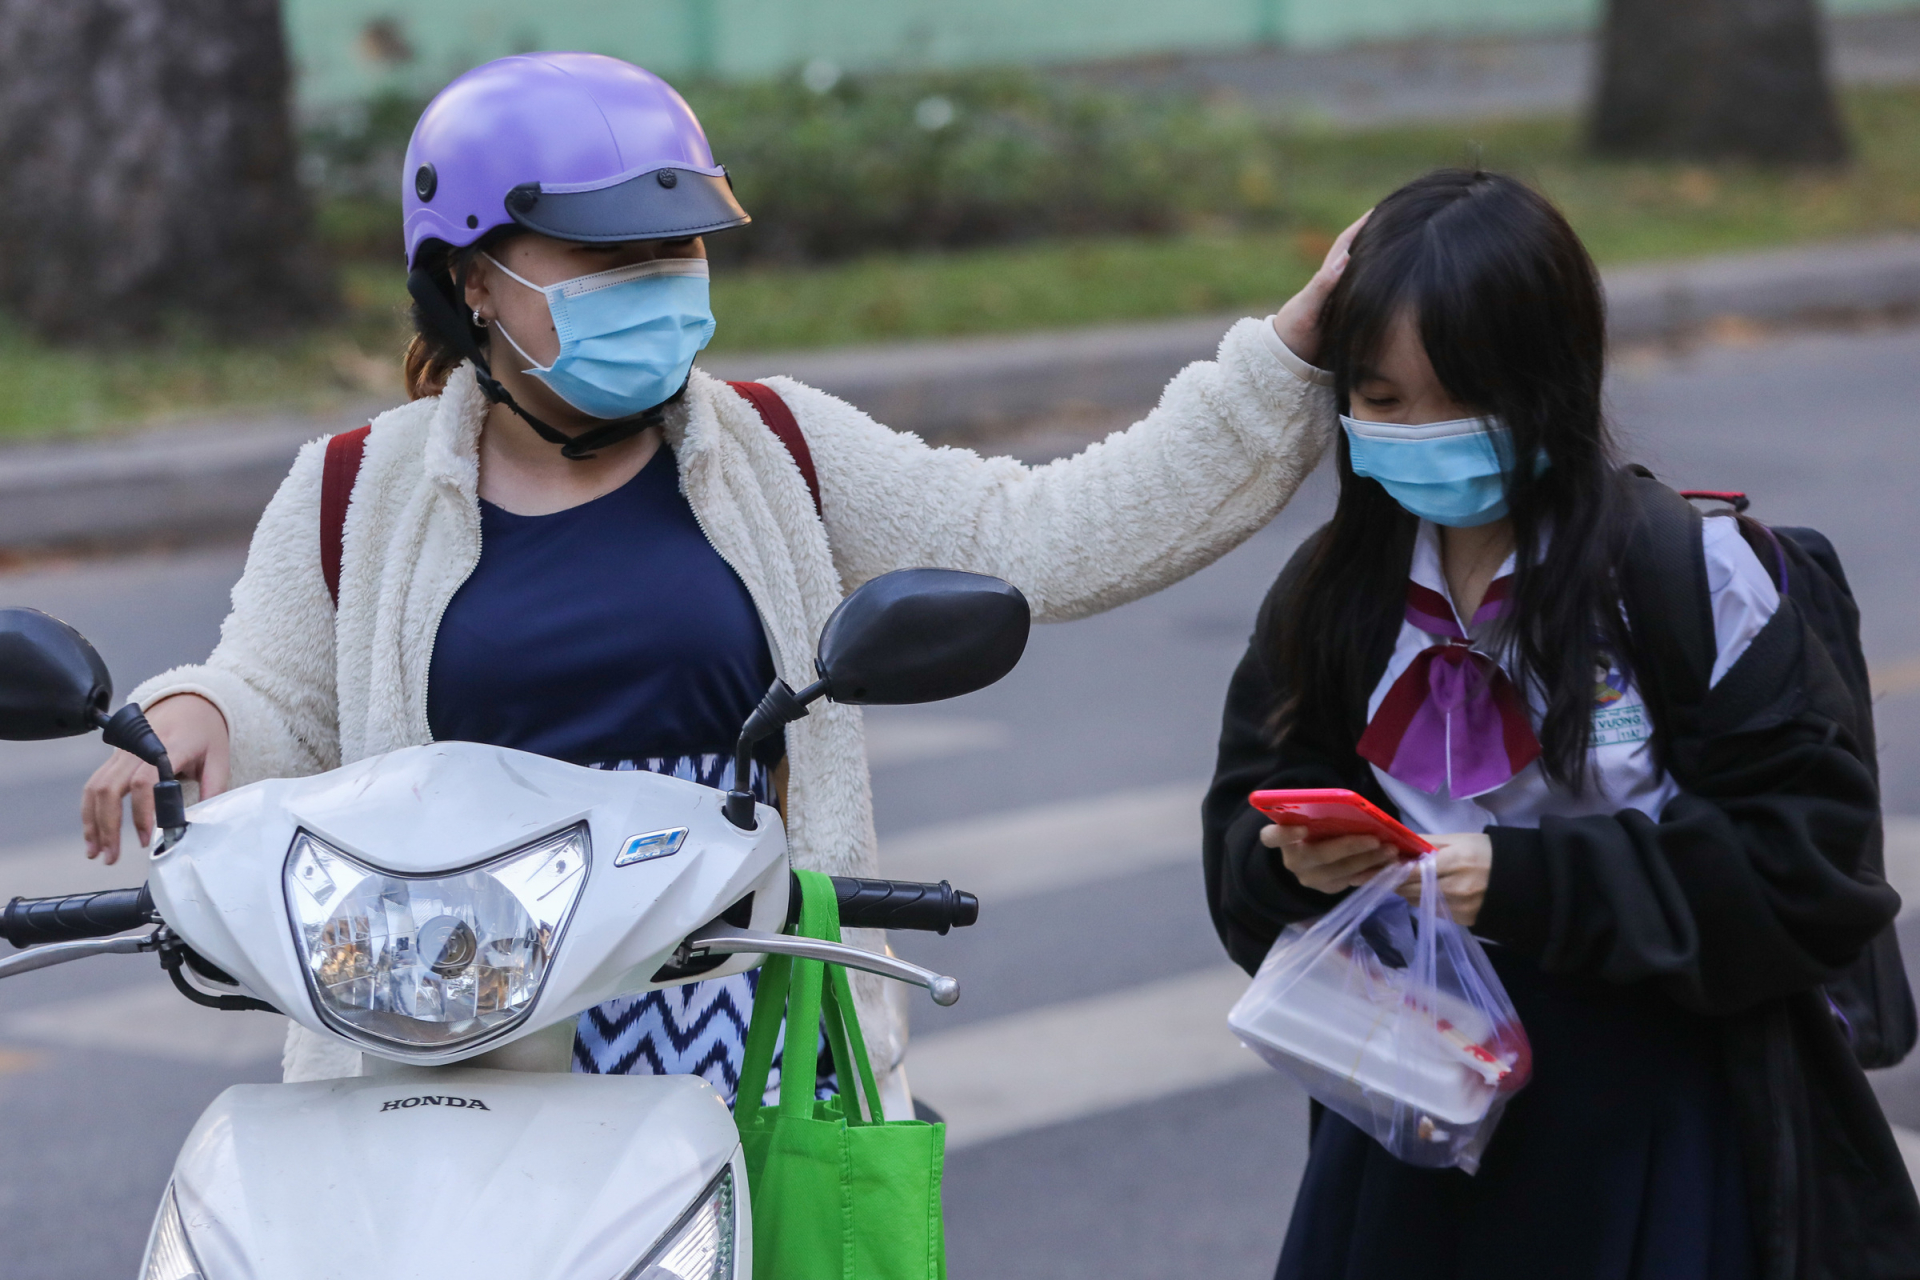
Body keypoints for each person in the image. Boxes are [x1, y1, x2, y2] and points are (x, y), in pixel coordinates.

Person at [81, 51, 1354, 1108]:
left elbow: (1044, 533)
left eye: (677, 251)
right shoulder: (354, 484)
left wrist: (1287, 356)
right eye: (604, 258)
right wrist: (196, 709)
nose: (659, 286)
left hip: (736, 1025)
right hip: (455, 1027)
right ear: (471, 279)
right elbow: (279, 693)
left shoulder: (778, 445)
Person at [1202, 168, 1920, 1278]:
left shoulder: (1690, 575)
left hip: (1662, 1122)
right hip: (1411, 1125)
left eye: (1460, 393)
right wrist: (1309, 864)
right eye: (1383, 400)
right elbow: (1241, 877)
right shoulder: (1332, 594)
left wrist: (1525, 882)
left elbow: (1811, 870)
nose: (1418, 432)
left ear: (1551, 378)